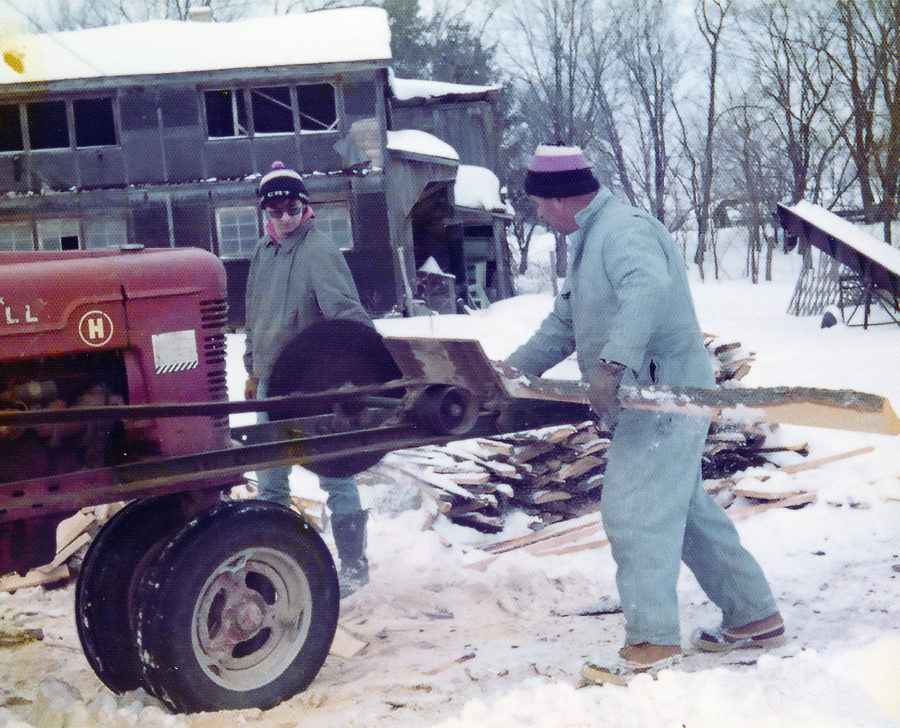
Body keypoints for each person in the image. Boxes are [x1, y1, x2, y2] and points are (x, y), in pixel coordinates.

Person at [505, 144, 785, 683]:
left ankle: (653, 644)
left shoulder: (625, 229)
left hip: (664, 396)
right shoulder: (590, 242)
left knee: (633, 512)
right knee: (683, 515)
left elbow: (649, 288)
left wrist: (612, 364)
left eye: (540, 203)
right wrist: (507, 374)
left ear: (562, 198)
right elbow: (561, 325)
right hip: (647, 394)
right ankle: (755, 617)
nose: (538, 213)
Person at [244, 161, 372, 598]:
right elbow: (255, 313)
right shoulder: (264, 250)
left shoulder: (319, 251)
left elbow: (350, 316)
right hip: (269, 383)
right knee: (271, 481)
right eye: (275, 210)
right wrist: (252, 366)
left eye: (292, 208)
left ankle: (354, 565)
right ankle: (279, 565)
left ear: (305, 207)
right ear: (265, 213)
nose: (284, 217)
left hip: (312, 387)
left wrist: (355, 375)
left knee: (334, 473)